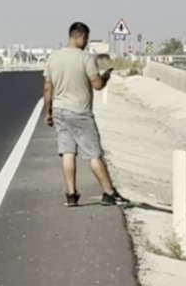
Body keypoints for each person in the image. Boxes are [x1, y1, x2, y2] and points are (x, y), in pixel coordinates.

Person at [42, 21, 130, 207]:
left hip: (60, 110)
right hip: (80, 112)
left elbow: (48, 88)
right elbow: (97, 85)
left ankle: (71, 194)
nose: (87, 42)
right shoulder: (86, 58)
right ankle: (109, 192)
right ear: (80, 37)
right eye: (86, 38)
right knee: (94, 154)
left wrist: (48, 112)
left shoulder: (53, 58)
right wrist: (105, 77)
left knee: (67, 152)